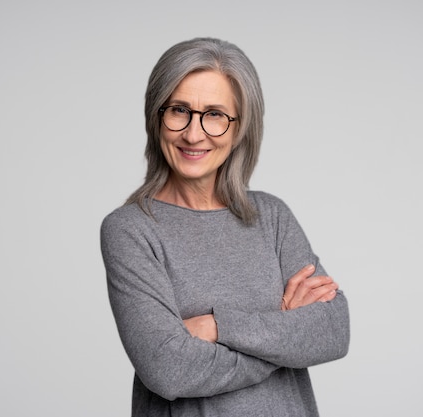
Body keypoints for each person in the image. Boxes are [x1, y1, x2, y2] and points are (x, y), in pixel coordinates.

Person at [100, 37, 350, 417]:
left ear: (239, 129)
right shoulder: (131, 230)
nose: (193, 134)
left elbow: (332, 331)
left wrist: (219, 327)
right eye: (179, 110)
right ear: (156, 116)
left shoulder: (271, 216)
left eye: (215, 114)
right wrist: (283, 335)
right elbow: (169, 370)